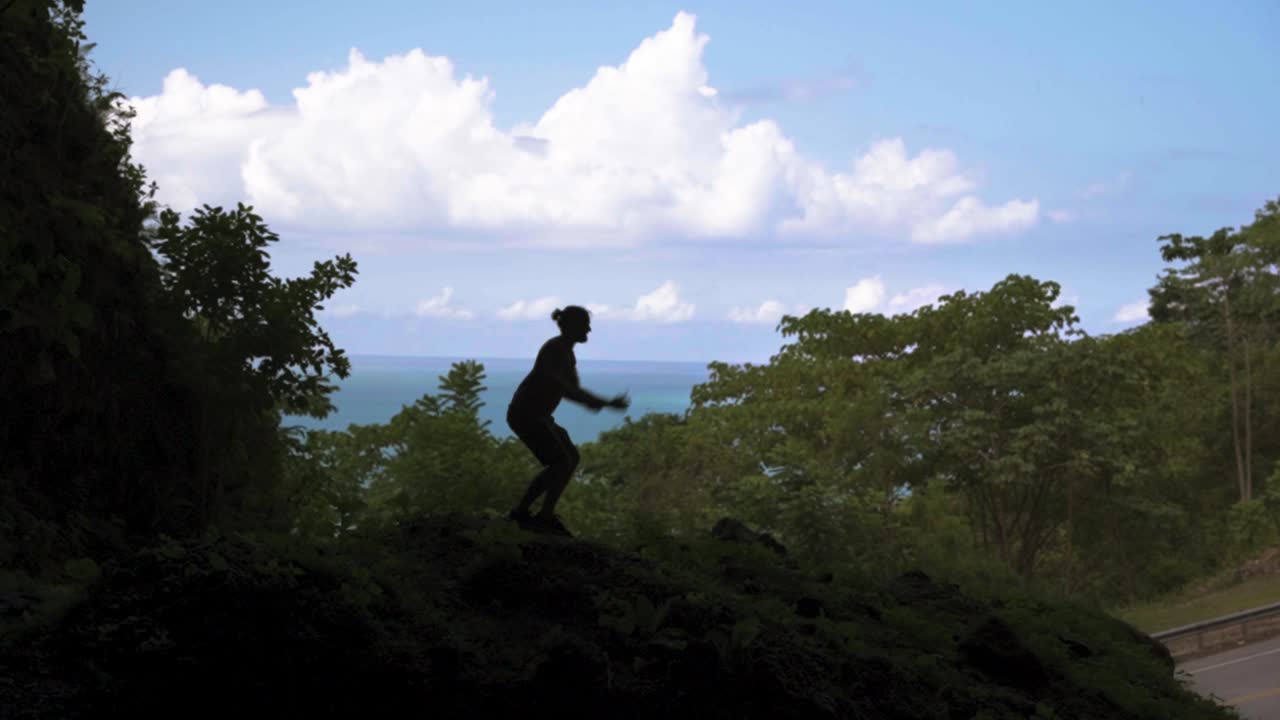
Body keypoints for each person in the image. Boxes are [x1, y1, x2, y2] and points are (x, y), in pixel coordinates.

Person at [506, 305, 629, 537]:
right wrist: (603, 403)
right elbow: (566, 387)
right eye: (585, 325)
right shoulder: (555, 349)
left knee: (570, 458)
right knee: (561, 462)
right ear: (572, 326)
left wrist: (596, 402)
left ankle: (541, 515)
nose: (589, 330)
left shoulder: (565, 351)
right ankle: (526, 513)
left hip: (537, 416)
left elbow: (572, 388)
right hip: (527, 415)